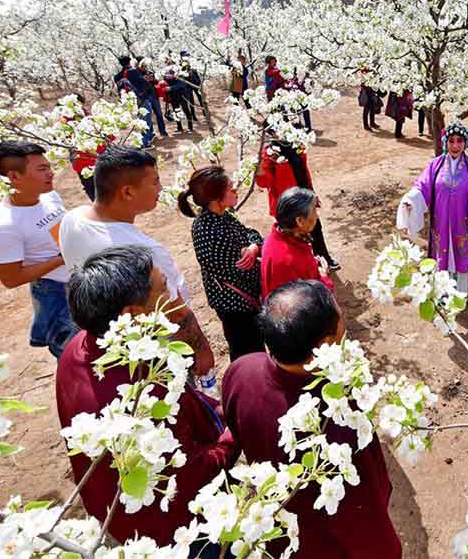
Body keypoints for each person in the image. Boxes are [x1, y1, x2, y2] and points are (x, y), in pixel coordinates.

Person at [57, 245, 240, 549]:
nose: (173, 295)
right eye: (163, 288)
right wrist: (236, 433)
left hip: (117, 514)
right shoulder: (143, 395)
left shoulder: (78, 348)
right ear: (132, 314)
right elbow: (188, 475)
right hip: (174, 531)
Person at [222, 280, 401, 559]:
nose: (345, 326)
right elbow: (366, 512)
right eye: (341, 318)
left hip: (279, 533)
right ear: (326, 344)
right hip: (328, 545)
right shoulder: (340, 416)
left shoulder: (240, 372)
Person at [58, 145, 215, 375]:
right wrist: (201, 351)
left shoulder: (72, 219)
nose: (160, 188)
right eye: (155, 182)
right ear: (128, 192)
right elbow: (176, 310)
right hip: (154, 351)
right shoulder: (146, 253)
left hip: (108, 347)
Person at [0, 141, 78, 359]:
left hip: (79, 281)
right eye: (42, 169)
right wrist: (59, 259)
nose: (51, 173)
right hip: (56, 296)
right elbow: (11, 278)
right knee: (74, 357)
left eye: (48, 167)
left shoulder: (49, 196)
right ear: (14, 176)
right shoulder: (3, 226)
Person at [397, 121, 468, 293]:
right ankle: (441, 291)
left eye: (460, 141)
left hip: (461, 222)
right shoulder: (435, 165)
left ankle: (460, 292)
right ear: (446, 142)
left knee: (459, 253)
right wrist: (411, 200)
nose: (455, 145)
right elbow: (422, 186)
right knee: (440, 254)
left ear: (465, 143)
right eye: (451, 140)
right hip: (440, 222)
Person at [178, 167, 265, 362]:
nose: (236, 191)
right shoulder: (207, 230)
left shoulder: (223, 216)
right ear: (216, 197)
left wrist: (253, 246)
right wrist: (255, 253)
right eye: (231, 188)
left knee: (255, 345)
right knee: (246, 351)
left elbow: (250, 233)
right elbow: (238, 269)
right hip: (235, 306)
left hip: (246, 300)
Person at [256, 139, 340, 270]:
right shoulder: (270, 153)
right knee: (294, 237)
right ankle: (304, 268)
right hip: (288, 204)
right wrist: (259, 169)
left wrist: (312, 193)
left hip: (304, 196)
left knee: (316, 228)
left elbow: (304, 173)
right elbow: (264, 182)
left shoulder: (296, 144)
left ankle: (323, 257)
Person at [261, 187, 334, 299]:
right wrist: (324, 276)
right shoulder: (288, 261)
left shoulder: (277, 238)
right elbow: (311, 302)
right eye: (314, 210)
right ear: (299, 221)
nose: (317, 215)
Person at [113, 56, 155, 148]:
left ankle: (145, 139)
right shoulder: (133, 71)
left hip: (129, 101)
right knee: (145, 121)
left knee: (138, 122)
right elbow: (144, 84)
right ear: (129, 62)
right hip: (141, 99)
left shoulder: (117, 76)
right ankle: (144, 143)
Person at [138, 58, 168, 138]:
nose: (145, 67)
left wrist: (153, 79)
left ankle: (163, 131)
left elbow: (156, 81)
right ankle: (151, 133)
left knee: (159, 114)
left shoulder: (150, 72)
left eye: (146, 66)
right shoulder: (137, 74)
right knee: (148, 116)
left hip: (153, 95)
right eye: (144, 65)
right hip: (145, 96)